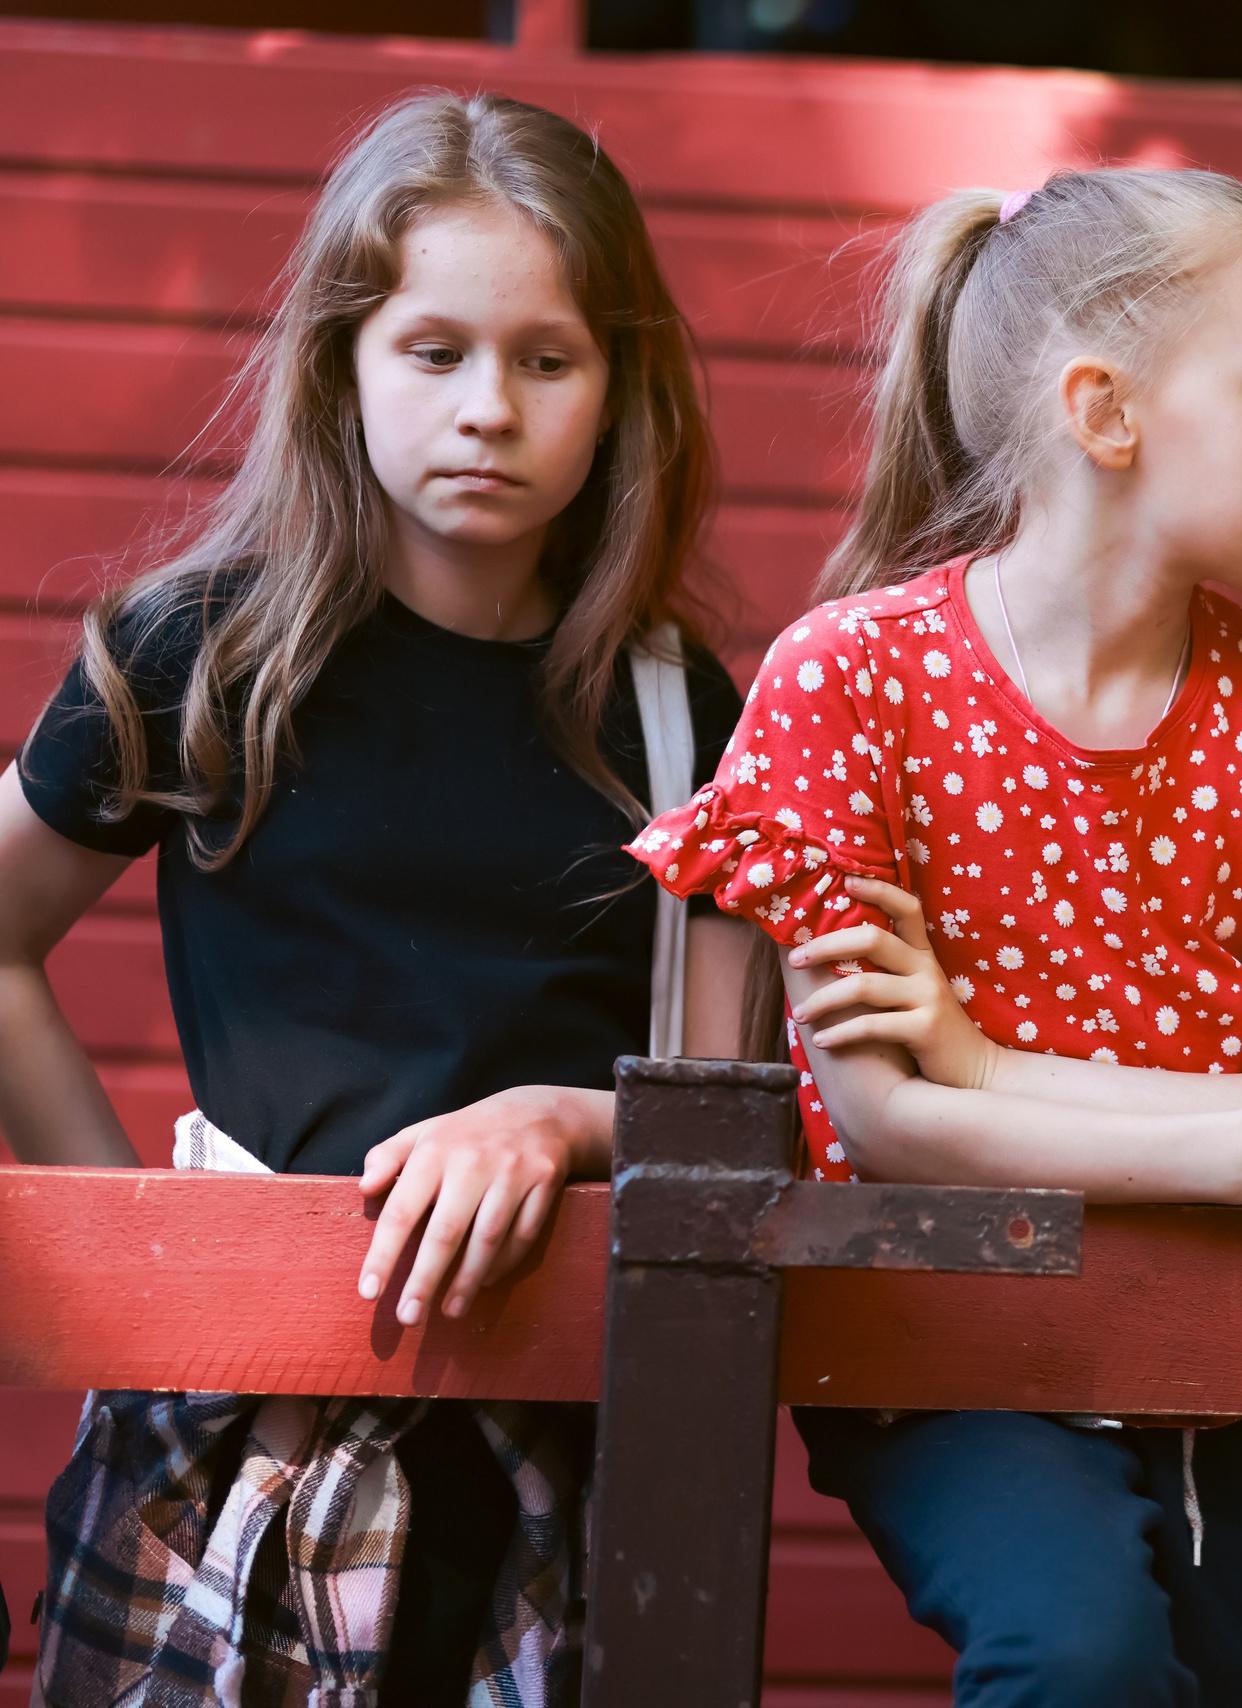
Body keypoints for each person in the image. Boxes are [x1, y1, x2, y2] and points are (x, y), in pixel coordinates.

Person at [625, 165, 1242, 1708]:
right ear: (1107, 412)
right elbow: (887, 1129)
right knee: (1075, 1656)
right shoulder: (853, 686)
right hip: (951, 1341)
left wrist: (982, 1062)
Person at [0, 93, 749, 1704]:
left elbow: (736, 1100)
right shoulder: (196, 655)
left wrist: (556, 1117)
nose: (490, 408)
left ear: (620, 389)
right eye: (434, 352)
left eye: (547, 360)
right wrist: (150, 1271)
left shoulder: (685, 714)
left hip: (548, 1442)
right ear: (343, 360)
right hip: (227, 1443)